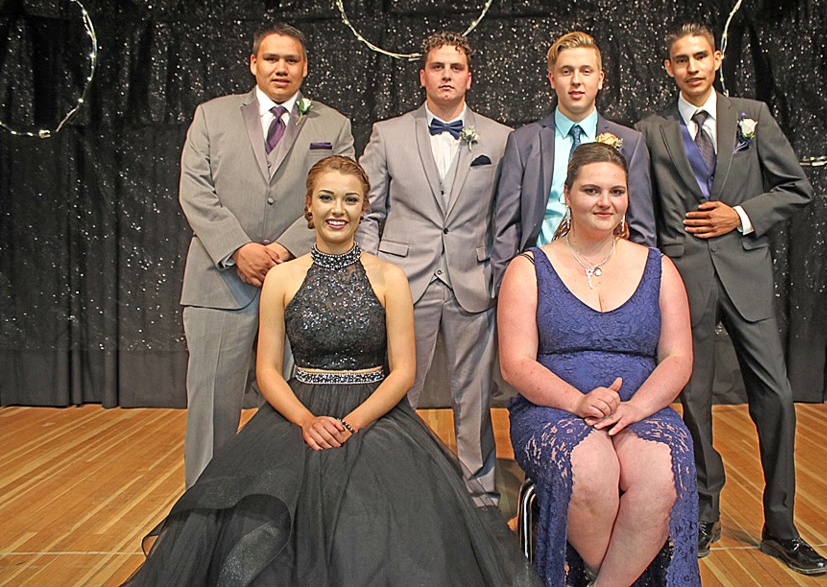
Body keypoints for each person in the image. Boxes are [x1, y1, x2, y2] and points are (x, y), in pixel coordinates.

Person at [124, 156, 542, 586]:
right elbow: (267, 370)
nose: (337, 209)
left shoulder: (390, 278)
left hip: (371, 416)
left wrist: (351, 423)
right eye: (326, 198)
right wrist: (306, 420)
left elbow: (403, 372)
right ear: (308, 207)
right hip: (298, 413)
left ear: (364, 208)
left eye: (349, 199)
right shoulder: (282, 278)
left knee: (372, 522)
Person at [637, 21, 827, 574]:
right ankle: (703, 512)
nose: (692, 67)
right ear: (668, 68)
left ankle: (781, 524)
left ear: (717, 59)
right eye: (681, 59)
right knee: (693, 399)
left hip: (745, 274)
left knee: (777, 398)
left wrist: (740, 216)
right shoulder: (651, 130)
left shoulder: (753, 115)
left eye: (701, 56)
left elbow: (796, 187)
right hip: (683, 277)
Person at [499, 142, 700, 587]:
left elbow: (678, 357)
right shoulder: (529, 268)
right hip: (553, 407)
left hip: (641, 408)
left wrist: (636, 408)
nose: (605, 202)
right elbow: (515, 365)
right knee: (590, 471)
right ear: (566, 195)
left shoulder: (659, 268)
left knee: (661, 474)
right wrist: (577, 401)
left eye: (616, 191)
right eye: (591, 190)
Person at [178, 22, 354, 488]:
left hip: (300, 283)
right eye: (271, 59)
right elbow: (195, 191)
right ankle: (202, 517)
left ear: (305, 68)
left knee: (299, 405)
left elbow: (342, 193)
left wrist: (281, 250)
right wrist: (238, 250)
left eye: (291, 60)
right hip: (220, 284)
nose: (281, 68)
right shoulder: (211, 116)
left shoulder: (332, 125)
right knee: (212, 407)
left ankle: (287, 506)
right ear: (253, 64)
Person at [356, 31, 510, 502]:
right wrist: (369, 272)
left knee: (476, 394)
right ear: (423, 76)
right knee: (398, 389)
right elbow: (368, 210)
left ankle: (480, 492)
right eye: (438, 67)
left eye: (455, 67)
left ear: (469, 77)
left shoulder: (500, 138)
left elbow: (505, 215)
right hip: (403, 281)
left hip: (472, 281)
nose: (447, 75)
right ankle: (389, 483)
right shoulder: (388, 132)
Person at [491, 31, 656, 293]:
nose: (576, 81)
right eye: (567, 71)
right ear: (552, 79)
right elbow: (507, 226)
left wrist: (641, 291)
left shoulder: (630, 142)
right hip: (541, 278)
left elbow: (642, 228)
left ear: (600, 79)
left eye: (586, 71)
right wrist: (507, 287)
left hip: (610, 281)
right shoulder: (524, 142)